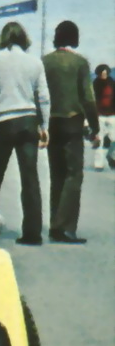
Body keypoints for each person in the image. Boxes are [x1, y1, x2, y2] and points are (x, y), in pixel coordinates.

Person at [0, 21, 51, 246]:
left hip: (5, 121)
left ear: (3, 38)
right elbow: (43, 96)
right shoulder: (35, 62)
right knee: (30, 177)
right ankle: (32, 233)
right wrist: (44, 126)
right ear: (24, 39)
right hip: (28, 121)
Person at [42, 21, 100, 243]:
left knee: (56, 175)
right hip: (73, 123)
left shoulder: (44, 62)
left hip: (51, 123)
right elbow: (87, 97)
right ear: (74, 38)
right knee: (73, 175)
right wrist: (94, 127)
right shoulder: (80, 63)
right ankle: (65, 228)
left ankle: (55, 224)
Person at [92, 64, 115, 170]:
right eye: (101, 73)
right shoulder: (94, 85)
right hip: (99, 115)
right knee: (99, 140)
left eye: (105, 73)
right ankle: (98, 164)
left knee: (114, 139)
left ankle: (111, 156)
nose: (103, 75)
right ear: (98, 74)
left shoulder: (112, 83)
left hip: (112, 115)